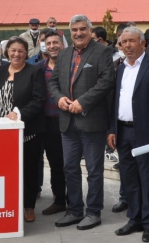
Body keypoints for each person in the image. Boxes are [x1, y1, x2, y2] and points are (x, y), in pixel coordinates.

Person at [47, 14, 116, 230]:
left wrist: (83, 102)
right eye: (74, 30)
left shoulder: (102, 52)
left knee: (94, 170)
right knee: (70, 168)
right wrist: (59, 98)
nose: (78, 33)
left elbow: (106, 81)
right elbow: (53, 82)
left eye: (82, 29)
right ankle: (75, 210)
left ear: (89, 30)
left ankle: (93, 212)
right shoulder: (64, 53)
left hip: (92, 121)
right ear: (70, 32)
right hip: (67, 122)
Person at [108, 27, 149, 243]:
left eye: (132, 41)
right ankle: (135, 218)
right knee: (129, 179)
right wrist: (112, 129)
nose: (127, 45)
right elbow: (115, 101)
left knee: (148, 179)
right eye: (123, 42)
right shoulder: (120, 68)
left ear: (143, 43)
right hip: (123, 131)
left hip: (147, 132)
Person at [0, 36, 46, 222]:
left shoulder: (34, 71)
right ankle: (8, 203)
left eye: (21, 51)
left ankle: (29, 206)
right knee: (5, 170)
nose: (16, 54)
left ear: (26, 53)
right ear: (7, 51)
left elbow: (39, 99)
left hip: (27, 132)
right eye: (13, 50)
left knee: (29, 171)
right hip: (1, 133)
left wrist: (19, 114)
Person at [38, 30, 68, 216]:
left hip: (69, 121)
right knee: (55, 164)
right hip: (48, 123)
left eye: (55, 42)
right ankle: (59, 200)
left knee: (70, 164)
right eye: (48, 43)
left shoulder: (71, 66)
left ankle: (74, 199)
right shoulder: (38, 68)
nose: (52, 46)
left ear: (62, 45)